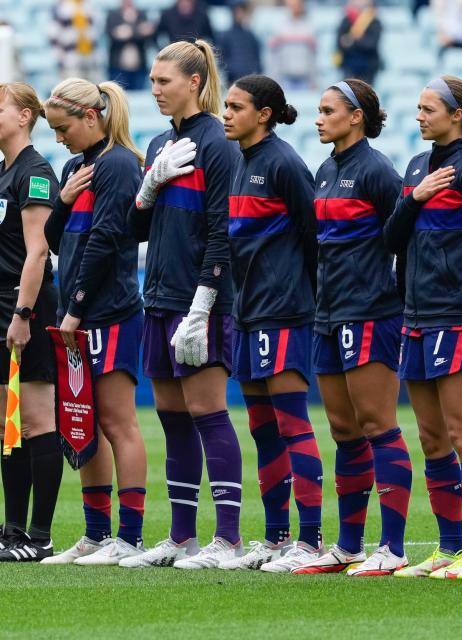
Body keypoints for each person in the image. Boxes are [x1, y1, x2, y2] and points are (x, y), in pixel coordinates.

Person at [121, 40, 245, 570]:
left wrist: (203, 304)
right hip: (160, 296)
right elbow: (136, 230)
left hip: (200, 300)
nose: (155, 90)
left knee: (207, 412)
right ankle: (180, 536)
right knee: (171, 416)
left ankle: (229, 538)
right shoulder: (157, 145)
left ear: (194, 82)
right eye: (151, 81)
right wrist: (149, 185)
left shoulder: (218, 143)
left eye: (164, 81)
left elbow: (223, 231)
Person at [291, 79, 413, 577]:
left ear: (356, 116)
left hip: (368, 313)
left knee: (378, 425)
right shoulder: (325, 169)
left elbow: (401, 237)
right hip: (328, 313)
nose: (318, 118)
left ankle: (394, 547)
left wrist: (394, 300)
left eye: (327, 110)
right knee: (343, 430)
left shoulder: (377, 171)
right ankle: (348, 545)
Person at [383, 75, 462, 579]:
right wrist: (415, 197)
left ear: (458, 114)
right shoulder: (414, 166)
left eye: (430, 108)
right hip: (416, 316)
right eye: (419, 107)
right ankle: (449, 549)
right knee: (431, 437)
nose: (420, 116)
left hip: (458, 315)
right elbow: (391, 235)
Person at [216, 74, 325, 574]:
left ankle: (310, 540)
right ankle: (277, 538)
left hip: (284, 311)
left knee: (291, 422)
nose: (226, 113)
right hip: (248, 312)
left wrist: (301, 296)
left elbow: (313, 237)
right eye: (226, 106)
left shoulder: (284, 163)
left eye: (236, 107)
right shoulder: (240, 162)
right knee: (262, 429)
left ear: (264, 114)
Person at [39, 78, 147, 566]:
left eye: (63, 129)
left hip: (110, 311)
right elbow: (58, 241)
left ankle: (130, 535)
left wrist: (74, 308)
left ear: (91, 116)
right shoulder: (75, 166)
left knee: (117, 421)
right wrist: (62, 201)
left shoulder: (121, 164)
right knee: (85, 422)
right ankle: (96, 533)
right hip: (80, 313)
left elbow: (106, 241)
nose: (59, 138)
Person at [0, 82, 62, 562]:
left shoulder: (35, 171)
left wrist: (23, 314)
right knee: (8, 424)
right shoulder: (4, 171)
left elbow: (38, 249)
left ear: (24, 116)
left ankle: (39, 537)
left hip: (27, 306)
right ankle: (12, 531)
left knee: (37, 419)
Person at [267, 0, 318, 91]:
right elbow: (274, 53)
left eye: (297, 5)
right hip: (285, 77)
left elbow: (313, 55)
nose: (295, 8)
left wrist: (313, 81)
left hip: (304, 78)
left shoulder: (309, 26)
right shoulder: (280, 26)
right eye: (292, 5)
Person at [106, 0, 156, 90]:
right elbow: (111, 36)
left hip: (139, 68)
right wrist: (138, 30)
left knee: (139, 100)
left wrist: (128, 30)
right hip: (117, 68)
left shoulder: (141, 14)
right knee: (118, 99)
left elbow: (149, 36)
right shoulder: (112, 15)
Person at [49, 0, 100, 81]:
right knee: (72, 89)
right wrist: (60, 57)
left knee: (91, 89)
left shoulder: (89, 5)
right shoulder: (60, 6)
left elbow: (94, 32)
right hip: (69, 58)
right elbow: (53, 35)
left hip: (89, 58)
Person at [335, 0, 383, 86]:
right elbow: (340, 44)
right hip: (349, 65)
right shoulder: (346, 21)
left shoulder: (374, 22)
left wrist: (352, 41)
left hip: (368, 67)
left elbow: (371, 44)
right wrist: (359, 40)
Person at [218, 0, 262, 84]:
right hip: (233, 81)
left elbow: (257, 59)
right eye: (237, 11)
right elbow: (221, 60)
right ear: (232, 13)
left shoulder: (250, 35)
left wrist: (254, 70)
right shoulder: (225, 36)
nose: (239, 14)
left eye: (241, 11)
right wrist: (235, 69)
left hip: (250, 80)